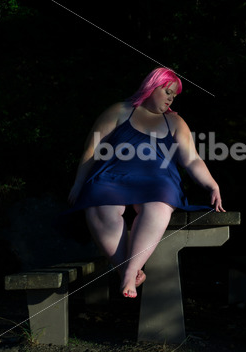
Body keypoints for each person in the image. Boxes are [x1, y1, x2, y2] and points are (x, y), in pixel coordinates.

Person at [67, 67, 225, 298]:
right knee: (99, 207)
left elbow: (191, 159)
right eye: (167, 91)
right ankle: (128, 273)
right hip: (112, 178)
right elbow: (92, 149)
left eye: (174, 94)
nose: (171, 97)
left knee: (159, 207)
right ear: (151, 87)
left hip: (157, 182)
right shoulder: (120, 110)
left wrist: (212, 185)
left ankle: (129, 273)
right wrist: (79, 183)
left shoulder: (174, 121)